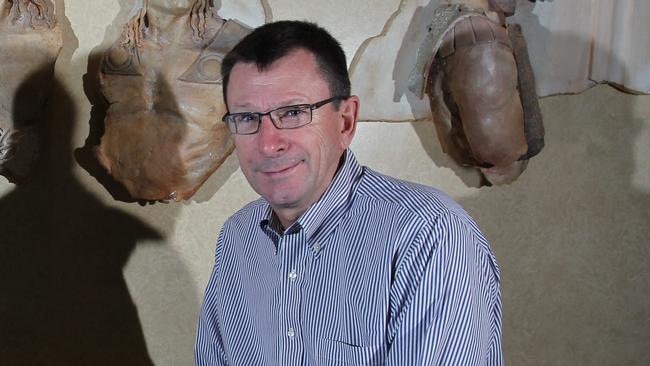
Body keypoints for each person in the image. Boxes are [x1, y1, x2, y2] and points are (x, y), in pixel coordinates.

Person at [196, 20, 503, 365]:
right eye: (247, 118)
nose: (268, 144)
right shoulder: (237, 237)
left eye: (294, 113)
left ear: (346, 121)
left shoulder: (429, 233)